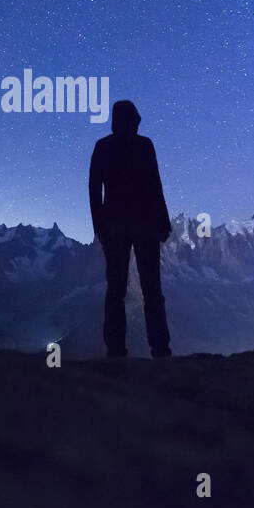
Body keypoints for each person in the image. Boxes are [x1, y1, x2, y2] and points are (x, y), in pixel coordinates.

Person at [88, 100, 173, 358]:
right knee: (152, 288)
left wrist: (99, 227)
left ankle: (115, 350)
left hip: (114, 226)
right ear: (132, 120)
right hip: (145, 223)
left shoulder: (103, 147)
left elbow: (94, 190)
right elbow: (155, 185)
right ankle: (160, 348)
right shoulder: (144, 145)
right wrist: (163, 223)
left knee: (116, 289)